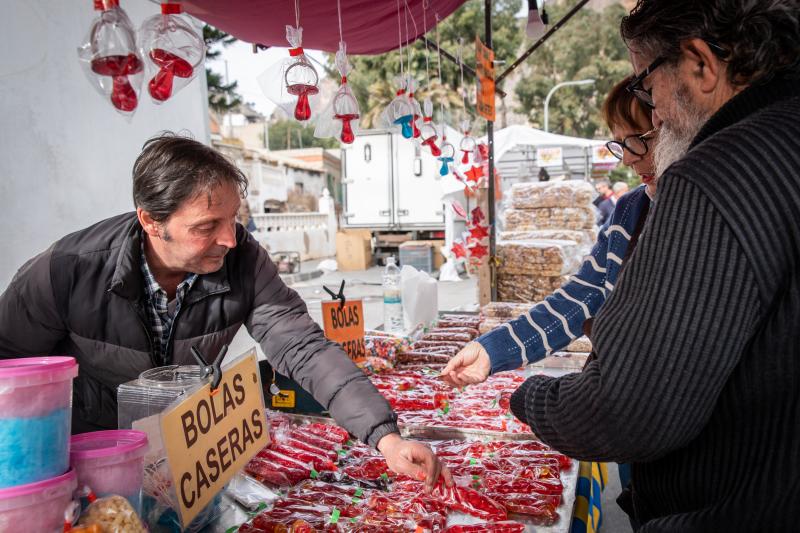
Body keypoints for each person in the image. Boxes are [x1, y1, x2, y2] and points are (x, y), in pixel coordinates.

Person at [458, 1, 800, 530]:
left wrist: (527, 396)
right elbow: (585, 295)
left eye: (647, 86)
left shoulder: (716, 173)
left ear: (701, 64)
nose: (655, 112)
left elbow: (628, 410)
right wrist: (496, 349)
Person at [0, 133, 450, 491]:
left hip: (184, 456)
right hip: (86, 459)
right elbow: (10, 373)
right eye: (206, 227)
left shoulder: (243, 260)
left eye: (234, 219)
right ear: (151, 221)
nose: (230, 239)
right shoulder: (66, 270)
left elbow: (301, 346)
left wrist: (384, 436)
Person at [442, 72, 656, 402]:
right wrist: (490, 350)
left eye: (639, 139)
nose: (628, 158)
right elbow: (580, 298)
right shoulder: (630, 210)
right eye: (620, 144)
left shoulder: (703, 213)